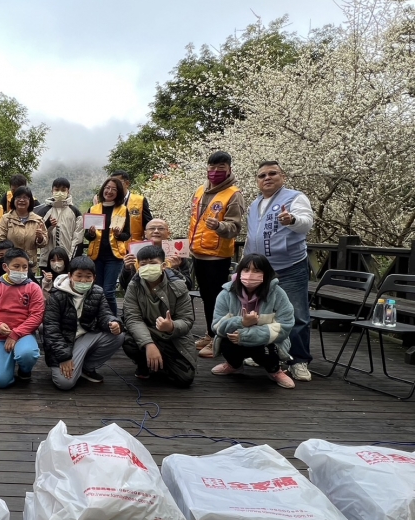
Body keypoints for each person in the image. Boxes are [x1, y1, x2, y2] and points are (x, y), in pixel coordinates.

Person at [243, 161, 314, 382]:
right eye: (262, 175)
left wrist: (291, 220)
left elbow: (306, 223)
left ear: (282, 176)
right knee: (263, 312)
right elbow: (251, 236)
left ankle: (298, 360)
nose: (267, 178)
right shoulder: (255, 204)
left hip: (290, 266)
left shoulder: (295, 198)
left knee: (296, 313)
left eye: (272, 173)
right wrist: (245, 264)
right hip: (262, 269)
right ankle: (266, 354)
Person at [188, 151, 245, 358]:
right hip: (198, 253)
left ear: (229, 169)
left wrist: (219, 226)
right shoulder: (200, 190)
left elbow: (234, 227)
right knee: (206, 297)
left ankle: (218, 338)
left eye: (221, 167)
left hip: (217, 256)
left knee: (217, 298)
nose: (215, 171)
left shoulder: (233, 194)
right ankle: (211, 333)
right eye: (212, 167)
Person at [210, 254, 296, 389]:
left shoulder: (278, 294)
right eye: (246, 269)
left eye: (257, 270)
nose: (250, 274)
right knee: (226, 341)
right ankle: (234, 365)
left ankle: (274, 370)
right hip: (235, 340)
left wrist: (246, 335)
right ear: (239, 272)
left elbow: (285, 326)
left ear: (266, 273)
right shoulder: (226, 293)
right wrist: (242, 322)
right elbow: (216, 326)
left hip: (265, 343)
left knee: (268, 348)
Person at [43, 256, 124, 389]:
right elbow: (51, 329)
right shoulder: (57, 295)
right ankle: (74, 363)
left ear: (94, 278)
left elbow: (105, 314)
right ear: (70, 276)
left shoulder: (97, 292)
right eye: (79, 276)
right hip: (65, 341)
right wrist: (64, 357)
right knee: (65, 383)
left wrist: (113, 322)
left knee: (118, 336)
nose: (83, 280)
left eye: (88, 276)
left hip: (86, 336)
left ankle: (87, 367)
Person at [121, 245, 196, 387]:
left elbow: (187, 320)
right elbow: (132, 318)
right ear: (138, 266)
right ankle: (144, 364)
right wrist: (148, 344)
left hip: (173, 338)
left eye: (153, 263)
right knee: (128, 341)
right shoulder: (134, 286)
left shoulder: (179, 285)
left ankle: (161, 364)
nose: (148, 267)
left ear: (163, 265)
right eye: (143, 264)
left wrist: (171, 326)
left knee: (185, 379)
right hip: (148, 331)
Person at [0, 248, 45, 388]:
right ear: (5, 267)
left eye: (25, 267)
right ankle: (2, 368)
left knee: (28, 354)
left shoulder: (34, 288)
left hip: (24, 335)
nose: (21, 270)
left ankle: (24, 370)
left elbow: (37, 316)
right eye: (16, 266)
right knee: (0, 381)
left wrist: (16, 333)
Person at [85, 177, 131, 315]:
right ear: (103, 189)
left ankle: (113, 320)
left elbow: (127, 235)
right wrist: (91, 233)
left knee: (108, 291)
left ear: (118, 192)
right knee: (97, 290)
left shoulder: (123, 210)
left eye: (113, 189)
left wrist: (118, 234)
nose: (109, 191)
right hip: (96, 256)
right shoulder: (94, 208)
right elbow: (87, 236)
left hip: (114, 256)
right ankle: (100, 319)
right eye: (107, 188)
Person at [119, 218, 193, 289]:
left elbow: (188, 286)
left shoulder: (177, 255)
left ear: (168, 233)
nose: (156, 231)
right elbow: (125, 286)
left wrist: (175, 270)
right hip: (142, 295)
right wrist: (127, 269)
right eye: (152, 228)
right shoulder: (135, 253)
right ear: (145, 233)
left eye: (161, 228)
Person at [0, 186, 48, 274]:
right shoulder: (6, 219)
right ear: (14, 200)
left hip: (29, 265)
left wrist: (40, 238)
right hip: (10, 265)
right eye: (18, 197)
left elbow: (44, 243)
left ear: (30, 201)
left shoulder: (38, 220)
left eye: (25, 198)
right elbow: (0, 241)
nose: (21, 200)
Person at [33, 177, 84, 269]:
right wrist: (48, 225)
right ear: (52, 191)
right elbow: (37, 236)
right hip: (47, 260)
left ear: (68, 191)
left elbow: (78, 238)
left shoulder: (75, 212)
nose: (60, 192)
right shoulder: (43, 211)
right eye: (57, 190)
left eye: (63, 190)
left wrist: (71, 259)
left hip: (68, 261)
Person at [110, 170, 153, 243]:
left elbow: (148, 225)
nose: (115, 186)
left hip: (134, 245)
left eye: (118, 183)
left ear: (127, 183)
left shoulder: (140, 200)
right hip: (113, 246)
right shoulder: (109, 202)